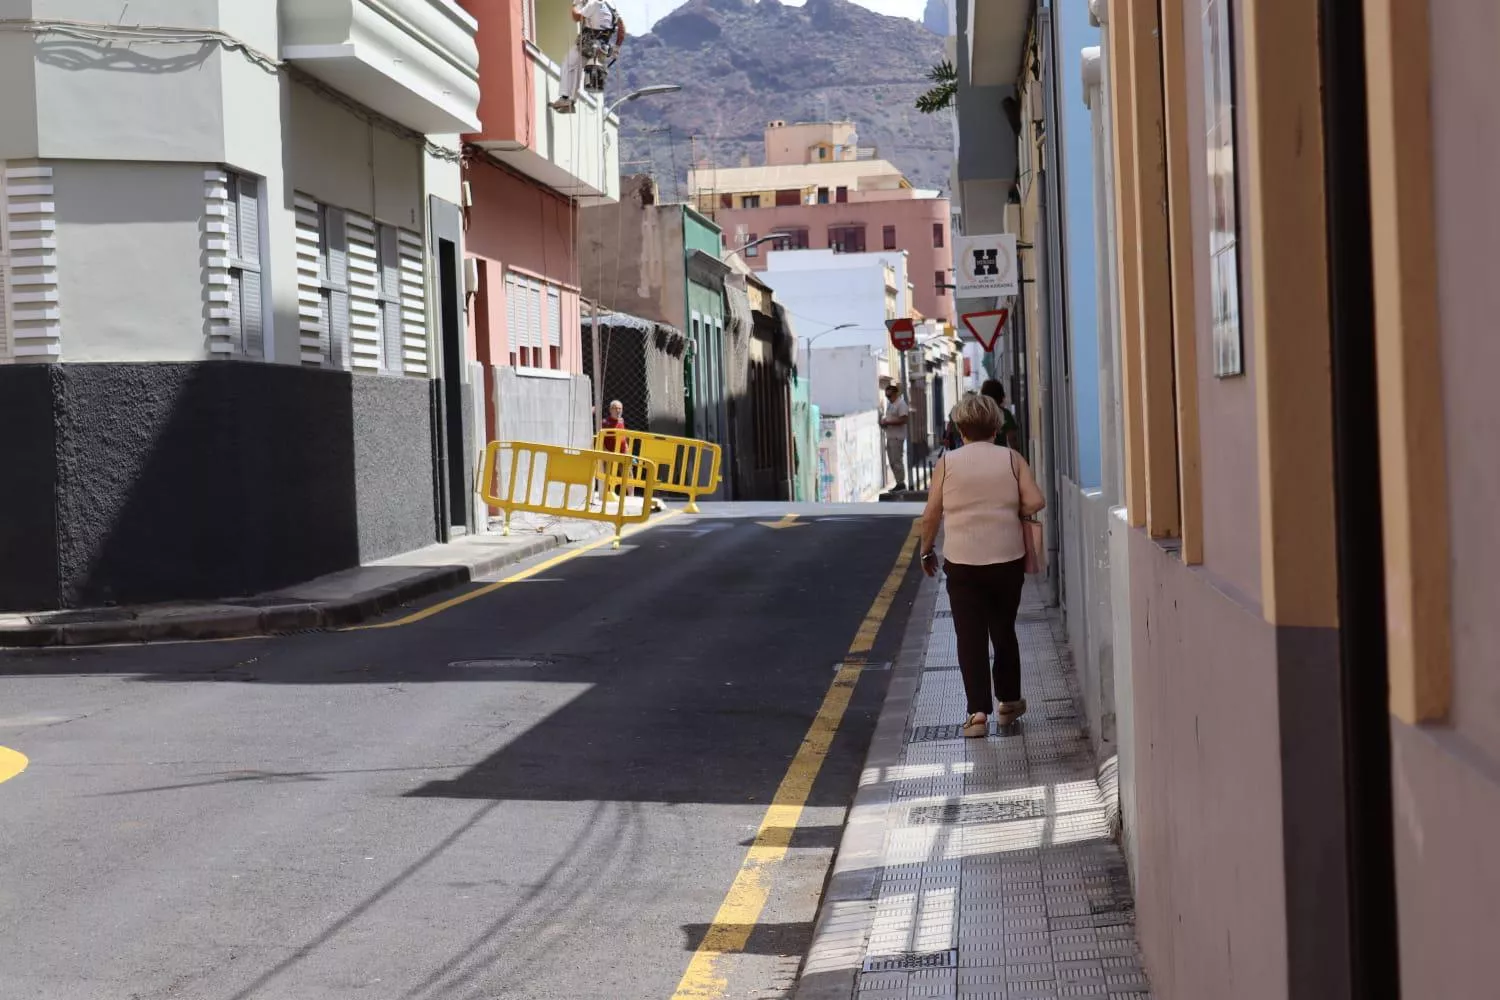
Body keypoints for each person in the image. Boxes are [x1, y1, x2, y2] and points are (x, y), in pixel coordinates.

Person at [919, 393, 1045, 737]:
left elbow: (931, 514)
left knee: (969, 636)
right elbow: (1036, 500)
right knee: (1003, 629)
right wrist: (1008, 505)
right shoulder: (1011, 459)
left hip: (962, 562)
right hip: (1007, 559)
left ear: (961, 429)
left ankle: (977, 714)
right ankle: (1008, 702)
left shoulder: (948, 462)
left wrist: (926, 550)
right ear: (996, 427)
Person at [550, 0, 626, 114]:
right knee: (575, 69)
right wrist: (616, 47)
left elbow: (576, 17)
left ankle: (565, 98)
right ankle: (569, 101)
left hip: (588, 46)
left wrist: (575, 4)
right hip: (602, 50)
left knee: (568, 63)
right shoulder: (612, 7)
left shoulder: (594, 4)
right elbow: (622, 28)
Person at [879, 382, 910, 491]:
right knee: (892, 461)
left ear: (896, 394)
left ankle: (901, 483)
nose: (888, 398)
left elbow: (904, 419)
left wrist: (889, 422)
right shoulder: (891, 405)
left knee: (897, 461)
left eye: (890, 395)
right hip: (890, 436)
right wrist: (884, 422)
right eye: (887, 396)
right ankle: (898, 482)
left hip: (897, 437)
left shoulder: (901, 404)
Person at [979, 379, 1020, 451]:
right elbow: (1012, 439)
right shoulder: (1005, 414)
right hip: (1001, 455)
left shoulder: (979, 414)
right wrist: (1017, 456)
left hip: (982, 454)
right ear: (1000, 395)